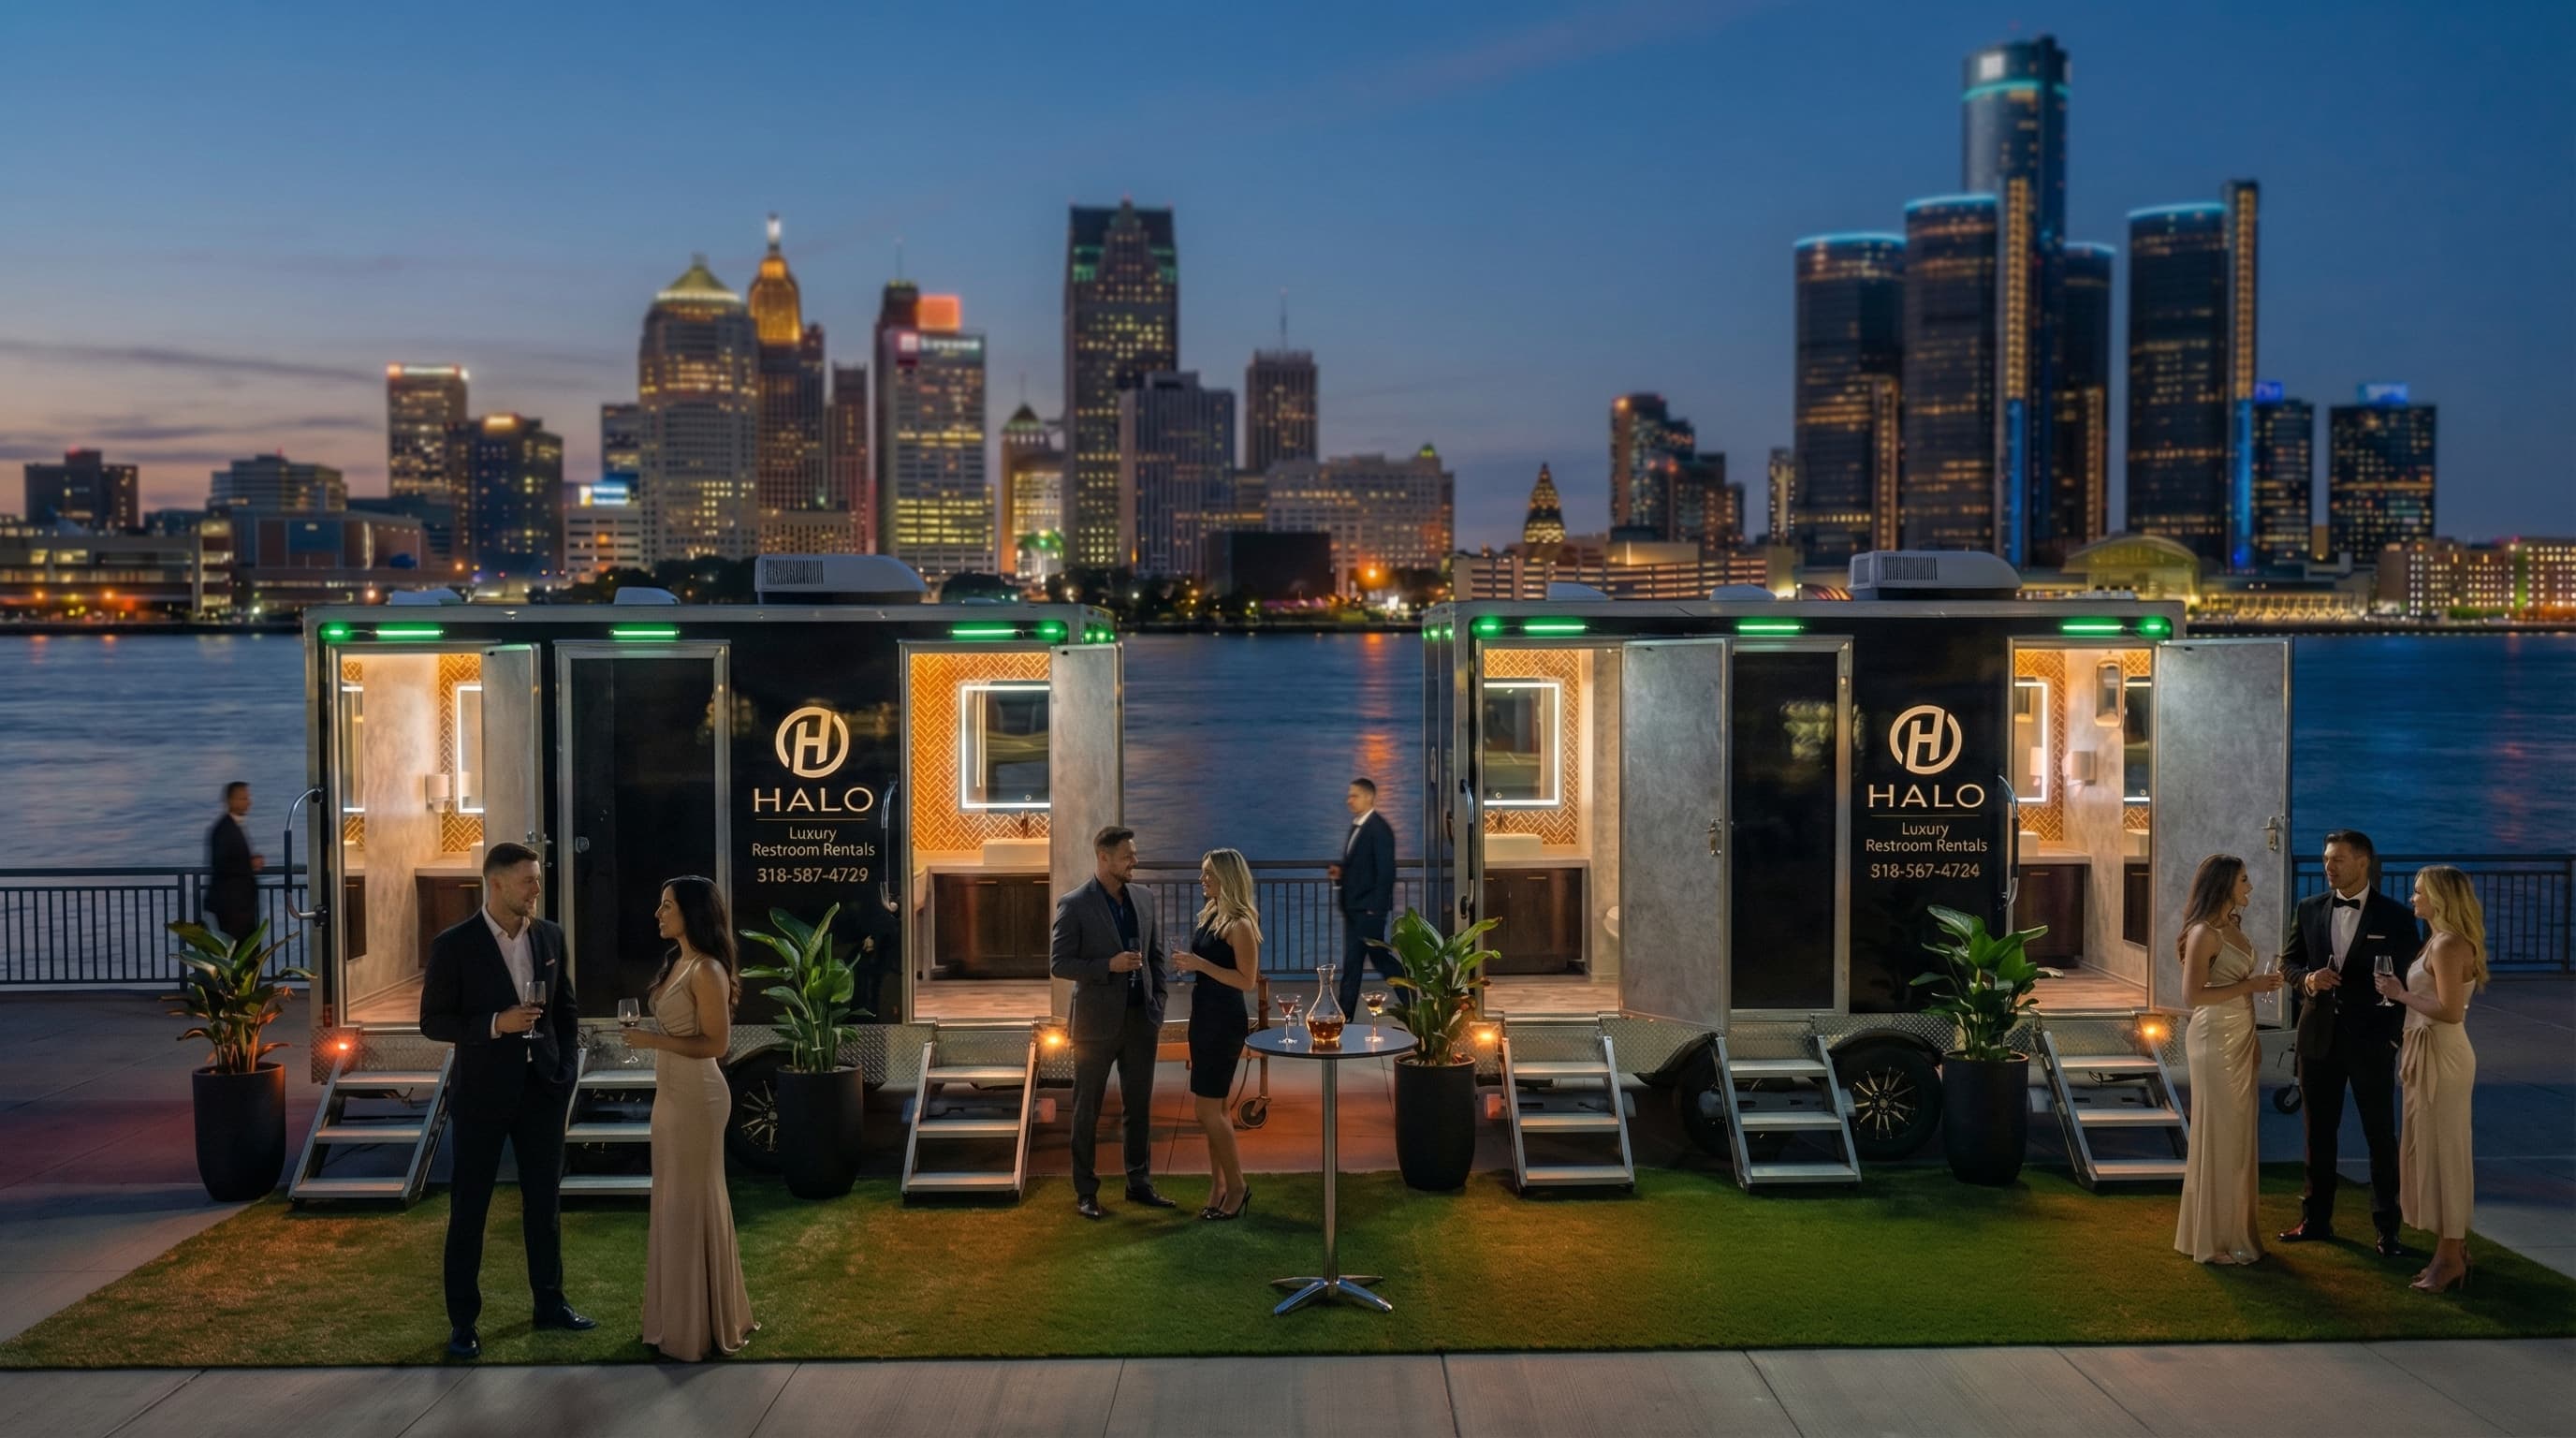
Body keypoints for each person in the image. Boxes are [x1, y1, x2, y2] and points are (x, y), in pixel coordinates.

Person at [417, 842, 593, 1359]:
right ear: (496, 884)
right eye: (528, 881)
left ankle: (550, 1304)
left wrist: (562, 1073)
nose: (537, 889)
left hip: (542, 1091)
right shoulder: (454, 945)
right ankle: (463, 1324)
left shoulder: (550, 936)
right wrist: (497, 1024)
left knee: (545, 1204)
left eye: (536, 880)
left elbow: (566, 1011)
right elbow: (433, 1022)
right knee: (469, 1209)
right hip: (481, 1096)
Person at [622, 876, 755, 1358]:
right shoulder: (678, 962)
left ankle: (699, 1327)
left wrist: (652, 1041)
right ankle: (676, 1321)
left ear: (691, 913)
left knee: (692, 1203)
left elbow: (716, 1047)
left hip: (698, 1099)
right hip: (670, 1098)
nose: (658, 913)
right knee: (673, 1204)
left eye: (667, 906)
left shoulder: (707, 971)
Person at [2277, 829, 2422, 1258]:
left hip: (2372, 1043)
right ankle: (2316, 1219)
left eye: (2337, 859)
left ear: (2363, 862)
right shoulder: (2308, 909)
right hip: (2318, 1040)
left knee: (2380, 1137)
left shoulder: (2395, 917)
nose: (2328, 866)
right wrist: (2306, 980)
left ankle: (2387, 1230)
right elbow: (2288, 962)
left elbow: (2411, 981)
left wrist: (2393, 1039)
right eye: (2325, 858)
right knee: (2317, 1135)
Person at [1049, 825, 1175, 1220]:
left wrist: (1158, 1003)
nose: (1134, 862)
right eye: (1127, 856)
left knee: (1139, 1108)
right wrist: (1109, 966)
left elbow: (1156, 957)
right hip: (1095, 1026)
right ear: (1103, 858)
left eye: (1133, 855)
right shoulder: (1074, 904)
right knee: (1087, 1109)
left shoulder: (1144, 898)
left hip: (1142, 1021)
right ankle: (1086, 1192)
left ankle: (1140, 1184)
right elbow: (1059, 964)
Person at [2375, 864, 2487, 1293]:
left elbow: (2450, 1010)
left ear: (2440, 897)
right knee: (2431, 1150)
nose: (2412, 898)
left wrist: (2399, 993)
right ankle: (2450, 1252)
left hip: (2443, 1053)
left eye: (2419, 892)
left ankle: (2450, 1256)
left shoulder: (2447, 945)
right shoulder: (2436, 942)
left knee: (2446, 1152)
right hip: (2427, 1052)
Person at [2173, 855, 2283, 1265]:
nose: (2250, 887)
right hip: (2213, 1038)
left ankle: (2236, 1232)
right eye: (2244, 880)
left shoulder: (2232, 927)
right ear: (2223, 886)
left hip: (2239, 1035)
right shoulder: (2203, 933)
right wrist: (2250, 986)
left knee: (2238, 1137)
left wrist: (2252, 1029)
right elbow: (2193, 997)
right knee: (2218, 1135)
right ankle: (2212, 1240)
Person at [1173, 848, 1262, 1221]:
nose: (1201, 880)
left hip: (1224, 1020)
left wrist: (1199, 965)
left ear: (1227, 877)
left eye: (1208, 874)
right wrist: (1195, 967)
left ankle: (1238, 1187)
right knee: (1218, 1108)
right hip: (1204, 1015)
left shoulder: (1240, 924)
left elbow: (1246, 981)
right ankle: (1219, 1186)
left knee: (1206, 1108)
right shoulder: (1213, 916)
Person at [1327, 777, 1398, 1020]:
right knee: (1357, 963)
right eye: (1349, 795)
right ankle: (1345, 1014)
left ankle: (1412, 995)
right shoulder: (1359, 826)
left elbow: (1386, 872)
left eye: (1354, 795)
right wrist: (1341, 873)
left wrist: (1375, 910)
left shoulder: (1379, 829)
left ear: (1369, 797)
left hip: (1368, 912)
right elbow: (1362, 867)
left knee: (1377, 961)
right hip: (1355, 909)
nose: (1349, 800)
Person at [204, 781, 263, 942]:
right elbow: (222, 864)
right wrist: (249, 865)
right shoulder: (223, 830)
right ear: (231, 801)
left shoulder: (231, 827)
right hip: (232, 909)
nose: (249, 802)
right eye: (244, 798)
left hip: (239, 908)